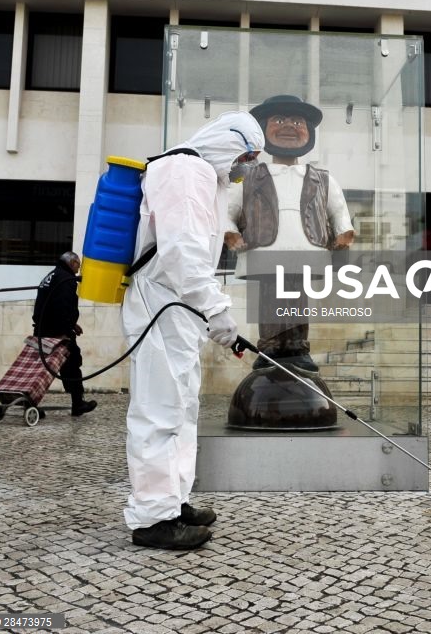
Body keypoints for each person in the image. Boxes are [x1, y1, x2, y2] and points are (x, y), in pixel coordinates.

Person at [121, 110, 264, 551]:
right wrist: (217, 309)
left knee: (182, 406)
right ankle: (152, 518)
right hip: (161, 303)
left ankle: (174, 500)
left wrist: (206, 312)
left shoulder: (205, 176)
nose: (244, 168)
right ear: (226, 142)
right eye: (244, 156)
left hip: (179, 307)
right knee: (159, 409)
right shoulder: (184, 169)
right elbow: (182, 251)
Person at [225, 95, 355, 371]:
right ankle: (270, 348)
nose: (289, 126)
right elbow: (226, 211)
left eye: (297, 121)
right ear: (264, 128)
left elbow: (338, 211)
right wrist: (230, 233)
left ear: (308, 131)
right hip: (264, 248)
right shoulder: (247, 177)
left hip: (306, 248)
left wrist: (344, 233)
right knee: (269, 300)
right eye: (279, 120)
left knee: (298, 299)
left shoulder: (323, 179)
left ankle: (298, 348)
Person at [32, 251, 97, 417]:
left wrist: (72, 325)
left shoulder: (52, 275)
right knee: (72, 365)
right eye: (78, 265)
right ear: (72, 263)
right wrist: (65, 331)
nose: (79, 268)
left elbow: (52, 305)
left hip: (42, 329)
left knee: (38, 369)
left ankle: (29, 403)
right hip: (57, 332)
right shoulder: (67, 279)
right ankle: (78, 403)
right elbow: (61, 307)